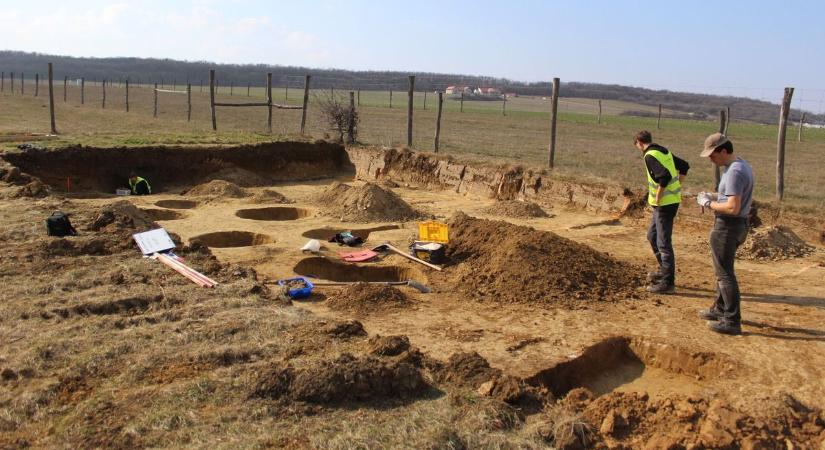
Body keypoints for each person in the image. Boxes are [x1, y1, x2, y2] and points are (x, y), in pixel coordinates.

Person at [696, 133, 754, 335]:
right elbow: (732, 197)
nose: (711, 160)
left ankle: (731, 320)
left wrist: (707, 203)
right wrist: (713, 196)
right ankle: (720, 309)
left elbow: (732, 207)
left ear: (723, 150)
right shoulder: (742, 165)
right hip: (738, 226)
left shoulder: (734, 172)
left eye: (712, 155)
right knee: (723, 271)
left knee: (725, 274)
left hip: (727, 227)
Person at [633, 130, 690, 294]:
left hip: (665, 204)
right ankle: (664, 271)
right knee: (652, 236)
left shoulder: (650, 155)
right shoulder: (663, 151)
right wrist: (678, 185)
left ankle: (668, 283)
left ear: (639, 142)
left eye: (636, 145)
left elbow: (664, 176)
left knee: (663, 243)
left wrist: (659, 196)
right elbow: (684, 166)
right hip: (668, 203)